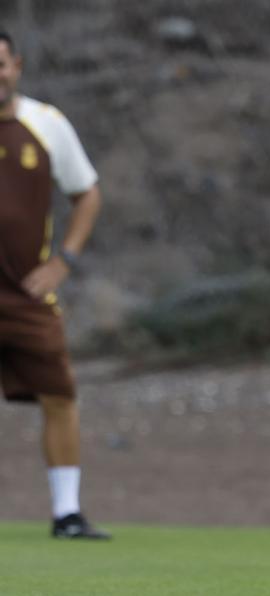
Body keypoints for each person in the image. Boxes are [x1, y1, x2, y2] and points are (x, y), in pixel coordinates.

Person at [0, 31, 108, 540]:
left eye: (1, 64)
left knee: (60, 394)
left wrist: (63, 262)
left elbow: (87, 194)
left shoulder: (46, 124)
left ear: (16, 64)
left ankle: (67, 513)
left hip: (25, 294)